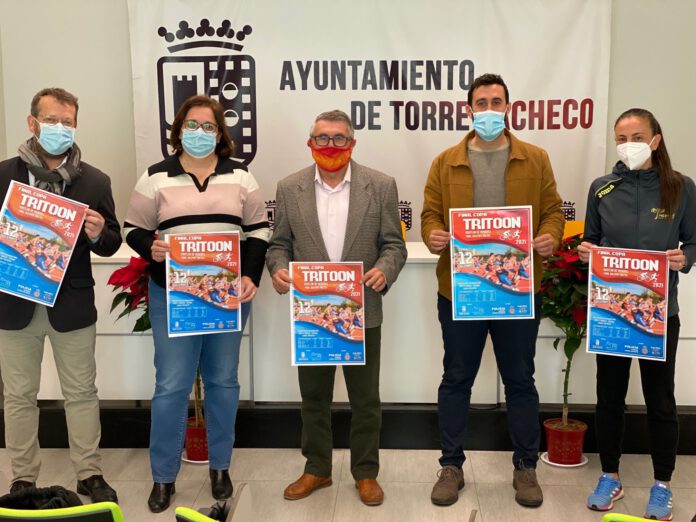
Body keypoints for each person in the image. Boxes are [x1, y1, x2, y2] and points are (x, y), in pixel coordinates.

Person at [421, 73, 564, 508]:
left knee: (520, 379)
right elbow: (429, 214)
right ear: (469, 110)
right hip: (461, 290)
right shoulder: (445, 162)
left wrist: (550, 236)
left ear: (508, 108)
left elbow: (554, 210)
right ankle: (451, 465)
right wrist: (432, 235)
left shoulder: (535, 158)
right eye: (480, 103)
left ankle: (525, 467)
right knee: (456, 378)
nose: (488, 110)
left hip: (517, 290)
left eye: (495, 102)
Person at [123, 95, 270, 513]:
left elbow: (259, 230)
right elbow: (133, 228)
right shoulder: (155, 176)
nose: (199, 133)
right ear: (178, 129)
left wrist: (250, 275)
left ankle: (220, 467)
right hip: (173, 295)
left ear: (220, 133)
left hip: (226, 295)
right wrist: (150, 248)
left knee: (223, 381)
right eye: (191, 124)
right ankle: (163, 476)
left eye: (208, 126)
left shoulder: (241, 175)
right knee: (171, 384)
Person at [266, 109, 407, 506]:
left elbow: (393, 245)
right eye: (322, 138)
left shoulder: (381, 185)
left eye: (339, 138)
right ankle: (317, 468)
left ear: (352, 143)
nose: (330, 145)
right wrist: (278, 270)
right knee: (313, 398)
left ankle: (366, 472)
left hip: (362, 310)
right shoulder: (289, 187)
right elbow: (279, 245)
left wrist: (384, 270)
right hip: (311, 315)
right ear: (310, 143)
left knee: (366, 400)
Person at [0, 87, 121, 502]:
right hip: (14, 305)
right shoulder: (3, 175)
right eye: (51, 120)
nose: (59, 128)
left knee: (82, 393)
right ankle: (22, 478)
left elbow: (111, 242)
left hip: (71, 305)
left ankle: (89, 473)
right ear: (32, 123)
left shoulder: (95, 180)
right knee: (18, 396)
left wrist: (98, 233)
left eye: (67, 122)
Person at [579, 108, 695, 521]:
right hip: (611, 311)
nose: (628, 145)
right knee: (609, 397)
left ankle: (662, 484)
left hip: (660, 314)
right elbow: (591, 239)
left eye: (637, 136)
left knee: (660, 400)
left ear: (655, 140)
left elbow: (694, 242)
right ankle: (610, 476)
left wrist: (685, 258)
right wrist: (587, 251)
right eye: (621, 138)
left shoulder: (681, 187)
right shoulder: (602, 188)